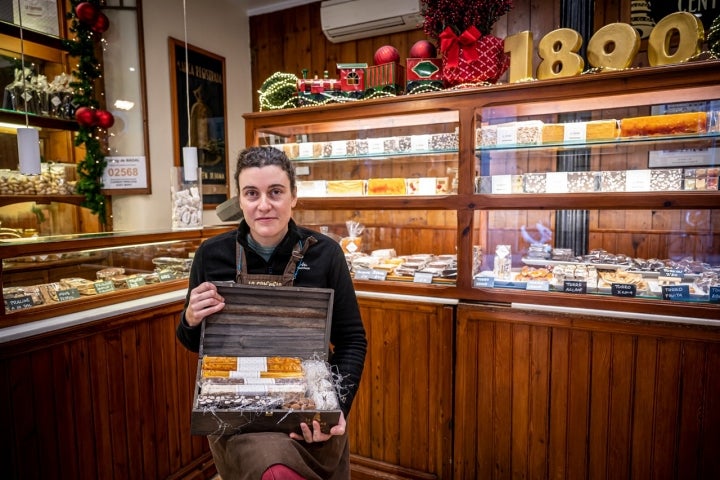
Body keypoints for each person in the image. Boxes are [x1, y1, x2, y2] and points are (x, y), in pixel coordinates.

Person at [176, 146, 367, 480]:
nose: (263, 205)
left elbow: (352, 340)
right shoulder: (211, 254)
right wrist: (190, 319)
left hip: (307, 413)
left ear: (293, 196)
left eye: (275, 192)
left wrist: (334, 409)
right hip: (239, 416)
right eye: (252, 193)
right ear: (240, 199)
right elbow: (195, 343)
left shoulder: (326, 254)